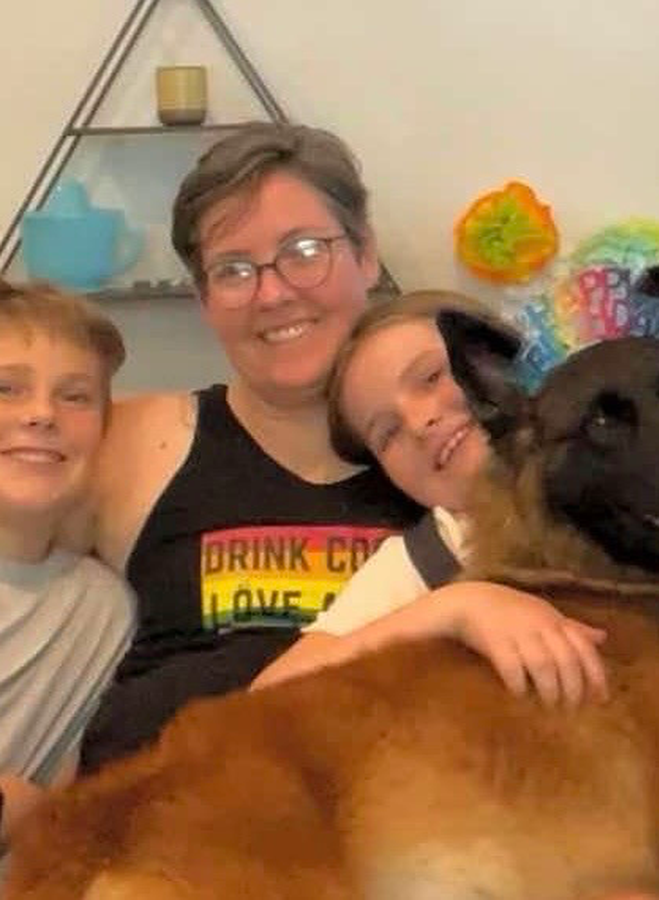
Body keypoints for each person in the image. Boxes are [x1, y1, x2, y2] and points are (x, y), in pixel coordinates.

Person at [254, 289, 659, 699]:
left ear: (494, 368)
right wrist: (456, 607)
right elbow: (272, 693)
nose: (420, 421)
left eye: (433, 377)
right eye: (385, 433)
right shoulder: (427, 557)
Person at [76, 123, 424, 773]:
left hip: (384, 811)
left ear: (366, 253)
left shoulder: (447, 447)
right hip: (157, 808)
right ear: (204, 298)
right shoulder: (137, 440)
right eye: (233, 270)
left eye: (304, 250)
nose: (273, 293)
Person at [0, 281, 134, 846]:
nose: (41, 414)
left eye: (75, 396)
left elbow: (59, 820)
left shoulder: (106, 613)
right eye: (7, 388)